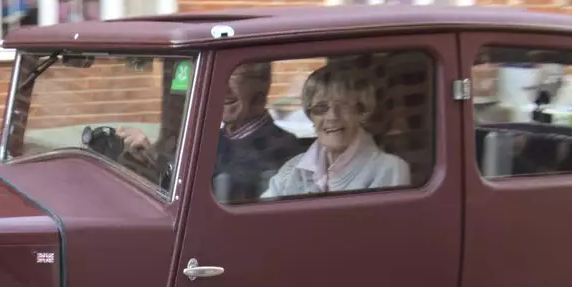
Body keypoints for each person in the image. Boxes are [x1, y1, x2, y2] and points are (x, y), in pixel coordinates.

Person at [119, 61, 302, 200]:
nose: (223, 89)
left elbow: (225, 192)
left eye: (234, 76)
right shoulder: (211, 139)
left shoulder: (283, 149)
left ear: (262, 84)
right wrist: (149, 160)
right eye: (217, 77)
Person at [263, 59, 410, 198]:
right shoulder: (292, 170)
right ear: (311, 116)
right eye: (321, 108)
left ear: (363, 112)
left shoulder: (389, 169)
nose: (332, 116)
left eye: (344, 106)